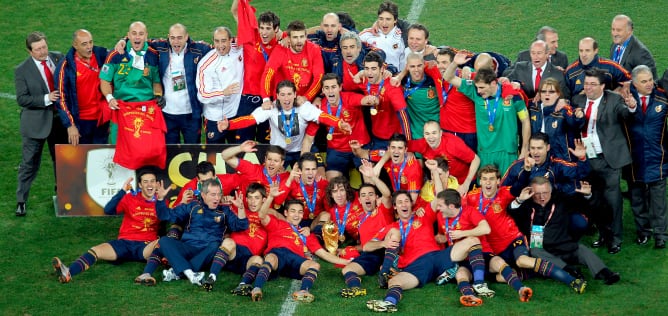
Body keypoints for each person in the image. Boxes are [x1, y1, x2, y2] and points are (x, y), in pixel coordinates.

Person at [465, 165, 588, 294]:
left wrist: (527, 170)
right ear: (480, 181)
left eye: (491, 179)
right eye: (484, 179)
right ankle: (532, 273)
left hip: (513, 241)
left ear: (498, 181)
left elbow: (518, 186)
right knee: (499, 276)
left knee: (522, 260)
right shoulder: (470, 197)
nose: (488, 182)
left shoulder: (505, 192)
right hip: (492, 249)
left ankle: (571, 280)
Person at [366, 190, 493, 311]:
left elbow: (439, 197)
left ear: (411, 203)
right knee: (394, 281)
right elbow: (367, 246)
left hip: (437, 256)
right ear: (394, 206)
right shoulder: (391, 227)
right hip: (415, 265)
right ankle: (389, 303)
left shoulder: (423, 215)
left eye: (406, 201)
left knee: (473, 240)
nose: (404, 204)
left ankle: (479, 284)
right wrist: (383, 243)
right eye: (399, 202)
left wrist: (434, 171)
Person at [51, 168, 167, 283]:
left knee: (162, 243)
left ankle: (145, 275)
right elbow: (108, 210)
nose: (149, 184)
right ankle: (68, 273)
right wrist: (122, 191)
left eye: (152, 181)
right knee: (96, 250)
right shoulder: (129, 198)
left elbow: (168, 219)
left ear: (157, 184)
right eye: (145, 182)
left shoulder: (162, 201)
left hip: (145, 246)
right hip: (124, 243)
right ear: (140, 185)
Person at [510, 177, 621, 285]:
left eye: (545, 192)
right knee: (535, 251)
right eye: (537, 193)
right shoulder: (526, 206)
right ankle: (570, 271)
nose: (542, 197)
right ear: (531, 192)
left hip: (564, 245)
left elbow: (588, 206)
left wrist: (587, 195)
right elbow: (512, 211)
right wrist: (520, 200)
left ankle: (605, 273)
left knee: (582, 249)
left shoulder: (561, 201)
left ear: (551, 191)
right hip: (544, 250)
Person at [139, 178, 249, 286]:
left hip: (208, 251)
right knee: (164, 241)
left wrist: (241, 209)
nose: (217, 198)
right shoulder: (192, 205)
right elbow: (166, 215)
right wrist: (160, 200)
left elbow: (240, 226)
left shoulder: (224, 210)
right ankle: (189, 273)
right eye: (213, 194)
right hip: (188, 247)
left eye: (219, 194)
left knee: (216, 245)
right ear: (203, 195)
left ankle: (178, 271)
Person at [574, 68, 636, 254]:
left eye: (593, 84)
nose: (589, 88)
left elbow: (626, 115)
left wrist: (632, 106)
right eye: (586, 84)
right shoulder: (578, 100)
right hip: (587, 159)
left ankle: (615, 238)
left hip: (608, 159)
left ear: (602, 86)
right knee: (592, 199)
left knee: (613, 200)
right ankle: (602, 234)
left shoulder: (614, 100)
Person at [250, 188, 351, 302]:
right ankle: (257, 288)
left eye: (300, 212)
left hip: (295, 260)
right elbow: (262, 215)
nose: (296, 215)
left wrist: (346, 262)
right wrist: (271, 197)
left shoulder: (306, 234)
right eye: (293, 211)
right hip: (278, 255)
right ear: (286, 213)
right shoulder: (277, 223)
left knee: (314, 265)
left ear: (303, 214)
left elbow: (323, 254)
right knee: (271, 258)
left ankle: (303, 291)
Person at [219, 80, 350, 167]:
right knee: (274, 181)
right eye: (282, 95)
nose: (286, 98)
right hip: (279, 151)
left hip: (301, 150)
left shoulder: (304, 107)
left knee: (316, 175)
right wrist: (229, 125)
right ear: (277, 96)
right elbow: (249, 119)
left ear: (295, 95)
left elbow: (323, 117)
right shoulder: (271, 108)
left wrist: (339, 123)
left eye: (289, 94)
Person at [436, 189, 534, 303]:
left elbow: (486, 229)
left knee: (498, 261)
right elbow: (442, 235)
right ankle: (470, 297)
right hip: (464, 259)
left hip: (483, 253)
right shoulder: (440, 216)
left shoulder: (470, 211)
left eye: (440, 205)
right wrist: (440, 238)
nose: (438, 208)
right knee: (461, 274)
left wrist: (462, 233)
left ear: (451, 206)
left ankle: (521, 289)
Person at [444, 52, 530, 174]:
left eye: (482, 88)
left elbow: (525, 120)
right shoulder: (475, 89)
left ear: (493, 83)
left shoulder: (512, 95)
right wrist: (454, 63)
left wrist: (524, 149)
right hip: (485, 152)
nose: (478, 92)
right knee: (484, 189)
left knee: (507, 188)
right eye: (478, 88)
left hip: (507, 152)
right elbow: (448, 77)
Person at [15, 31, 67, 216]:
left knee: (61, 160)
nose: (43, 52)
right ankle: (21, 200)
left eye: (44, 47)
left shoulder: (58, 57)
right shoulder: (21, 70)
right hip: (35, 124)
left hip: (59, 122)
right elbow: (22, 99)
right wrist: (46, 98)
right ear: (30, 51)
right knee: (29, 163)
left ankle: (62, 194)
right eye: (38, 49)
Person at [625, 65, 668, 249]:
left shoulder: (662, 98)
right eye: (644, 81)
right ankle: (643, 232)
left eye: (650, 79)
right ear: (634, 83)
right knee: (637, 199)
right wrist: (631, 108)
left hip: (658, 158)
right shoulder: (625, 98)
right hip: (633, 159)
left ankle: (661, 235)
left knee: (659, 201)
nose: (649, 84)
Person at [100, 21, 163, 144]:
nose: (137, 37)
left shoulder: (153, 55)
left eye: (141, 34)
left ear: (146, 36)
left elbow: (156, 82)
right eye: (134, 34)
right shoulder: (115, 54)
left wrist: (158, 95)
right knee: (119, 146)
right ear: (128, 35)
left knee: (143, 147)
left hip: (145, 109)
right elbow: (104, 80)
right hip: (121, 108)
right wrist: (109, 97)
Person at [339, 159, 394, 298]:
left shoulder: (382, 209)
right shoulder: (360, 218)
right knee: (348, 270)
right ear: (360, 200)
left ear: (376, 197)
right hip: (370, 253)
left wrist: (373, 176)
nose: (367, 197)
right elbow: (364, 245)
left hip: (387, 250)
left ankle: (387, 270)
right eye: (363, 195)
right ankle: (356, 288)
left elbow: (387, 195)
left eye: (370, 194)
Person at [152, 24, 212, 144]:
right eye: (172, 38)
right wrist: (123, 41)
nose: (176, 42)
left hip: (191, 114)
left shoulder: (199, 49)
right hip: (167, 113)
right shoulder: (161, 47)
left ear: (186, 37)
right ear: (168, 37)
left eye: (179, 38)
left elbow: (220, 46)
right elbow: (139, 40)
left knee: (193, 151)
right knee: (170, 152)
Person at [303, 73, 368, 180]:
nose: (330, 91)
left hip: (359, 147)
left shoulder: (349, 98)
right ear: (323, 91)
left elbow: (366, 100)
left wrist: (369, 95)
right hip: (336, 152)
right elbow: (308, 139)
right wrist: (303, 165)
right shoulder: (319, 109)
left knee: (369, 176)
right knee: (331, 182)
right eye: (327, 88)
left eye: (333, 87)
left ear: (340, 87)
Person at [232, 0, 280, 143]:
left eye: (268, 28)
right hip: (247, 100)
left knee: (268, 145)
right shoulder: (251, 36)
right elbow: (235, 11)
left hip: (270, 102)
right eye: (262, 28)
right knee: (242, 144)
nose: (264, 32)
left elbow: (300, 33)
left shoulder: (281, 45)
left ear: (276, 29)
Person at [55, 29, 109, 146]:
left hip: (101, 119)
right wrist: (70, 125)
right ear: (75, 45)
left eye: (90, 42)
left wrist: (123, 41)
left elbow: (120, 54)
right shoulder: (65, 66)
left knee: (101, 160)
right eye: (84, 44)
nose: (89, 47)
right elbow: (61, 98)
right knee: (82, 161)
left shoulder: (102, 56)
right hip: (81, 122)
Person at [502, 132, 590, 197]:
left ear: (547, 148)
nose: (535, 152)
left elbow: (580, 174)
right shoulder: (517, 166)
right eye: (532, 148)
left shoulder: (556, 164)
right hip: (525, 209)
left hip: (550, 208)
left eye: (539, 148)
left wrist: (582, 159)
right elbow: (502, 190)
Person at [196, 26, 244, 144]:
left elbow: (252, 36)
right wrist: (223, 93)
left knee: (237, 152)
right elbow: (202, 95)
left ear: (230, 40)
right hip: (215, 118)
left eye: (223, 41)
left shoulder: (238, 49)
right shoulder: (206, 65)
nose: (220, 45)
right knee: (214, 156)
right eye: (217, 41)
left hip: (236, 114)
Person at [261, 20, 324, 107]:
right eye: (295, 37)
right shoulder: (280, 50)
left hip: (303, 100)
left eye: (302, 37)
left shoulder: (314, 49)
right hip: (282, 100)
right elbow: (268, 74)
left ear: (306, 37)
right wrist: (266, 99)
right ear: (289, 38)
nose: (299, 41)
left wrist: (306, 97)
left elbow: (319, 77)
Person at [408, 121, 480, 195]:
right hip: (441, 184)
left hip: (462, 183)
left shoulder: (452, 144)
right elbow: (403, 145)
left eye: (434, 133)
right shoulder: (422, 144)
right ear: (424, 135)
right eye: (427, 133)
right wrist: (409, 152)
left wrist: (466, 184)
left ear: (441, 133)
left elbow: (476, 159)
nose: (431, 137)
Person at [523, 78, 582, 161]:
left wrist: (580, 116)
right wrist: (517, 83)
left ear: (558, 94)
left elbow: (576, 123)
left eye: (551, 92)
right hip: (537, 158)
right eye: (543, 91)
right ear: (539, 94)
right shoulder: (532, 108)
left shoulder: (564, 110)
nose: (547, 94)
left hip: (560, 159)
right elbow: (518, 98)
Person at [435, 47, 477, 152]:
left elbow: (486, 78)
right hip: (446, 131)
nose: (440, 66)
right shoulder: (435, 73)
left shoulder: (465, 76)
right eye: (438, 62)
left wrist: (469, 69)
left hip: (467, 132)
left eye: (444, 62)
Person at [274, 153, 329, 227]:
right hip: (295, 220)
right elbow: (277, 201)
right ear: (300, 170)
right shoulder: (291, 181)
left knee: (326, 215)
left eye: (313, 169)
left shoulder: (323, 183)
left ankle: (317, 236)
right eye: (307, 169)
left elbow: (329, 208)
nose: (311, 173)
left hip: (315, 221)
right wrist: (290, 179)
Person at [503, 40, 570, 100]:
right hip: (523, 110)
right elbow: (505, 83)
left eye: (539, 53)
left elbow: (565, 98)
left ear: (547, 54)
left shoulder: (557, 74)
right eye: (533, 53)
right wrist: (505, 82)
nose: (535, 57)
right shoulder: (520, 68)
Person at [564, 37, 630, 96]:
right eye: (581, 51)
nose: (583, 54)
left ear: (595, 51)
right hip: (580, 107)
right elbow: (566, 97)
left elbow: (630, 79)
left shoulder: (611, 66)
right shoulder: (570, 71)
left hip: (606, 106)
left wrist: (622, 88)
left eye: (587, 50)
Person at [221, 140, 290, 194]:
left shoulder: (286, 178)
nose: (271, 163)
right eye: (269, 159)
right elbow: (225, 156)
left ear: (282, 163)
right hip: (243, 210)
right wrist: (240, 148)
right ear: (265, 159)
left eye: (276, 161)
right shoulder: (253, 169)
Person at [373, 133, 423, 201]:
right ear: (388, 149)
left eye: (400, 148)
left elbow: (412, 201)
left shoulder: (412, 167)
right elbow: (364, 153)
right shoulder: (385, 157)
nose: (396, 151)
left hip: (411, 205)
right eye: (393, 147)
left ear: (405, 150)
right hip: (396, 199)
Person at [359, 1, 405, 71]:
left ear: (395, 20)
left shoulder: (402, 37)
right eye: (381, 19)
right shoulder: (367, 34)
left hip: (393, 78)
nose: (384, 23)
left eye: (388, 19)